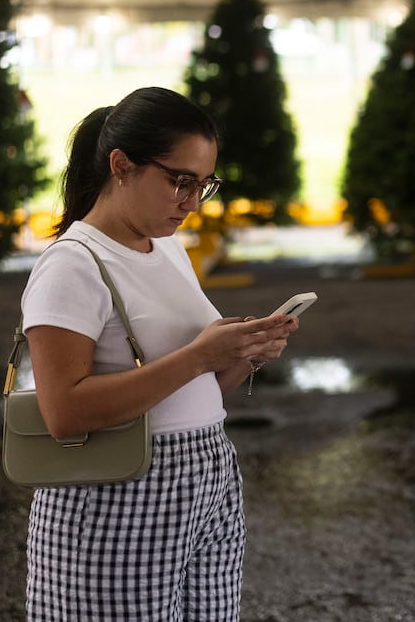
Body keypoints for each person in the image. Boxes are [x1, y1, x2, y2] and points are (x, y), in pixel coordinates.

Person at [20, 86, 299, 620]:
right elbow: (64, 413)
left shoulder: (167, 247)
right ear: (121, 166)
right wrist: (198, 356)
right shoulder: (72, 264)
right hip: (116, 496)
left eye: (204, 185)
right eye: (180, 181)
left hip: (206, 476)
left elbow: (190, 391)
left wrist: (243, 353)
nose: (192, 203)